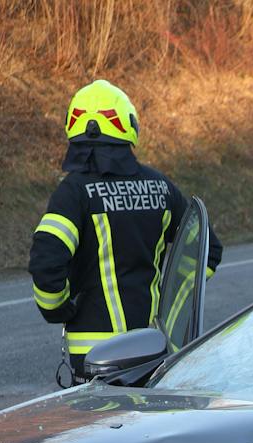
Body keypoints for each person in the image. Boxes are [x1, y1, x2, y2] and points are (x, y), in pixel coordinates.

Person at [29, 79, 223, 366]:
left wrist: (56, 309)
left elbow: (47, 259)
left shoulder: (73, 192)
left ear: (74, 128)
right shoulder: (161, 187)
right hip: (154, 346)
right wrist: (174, 308)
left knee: (106, 415)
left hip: (96, 355)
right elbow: (207, 251)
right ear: (128, 126)